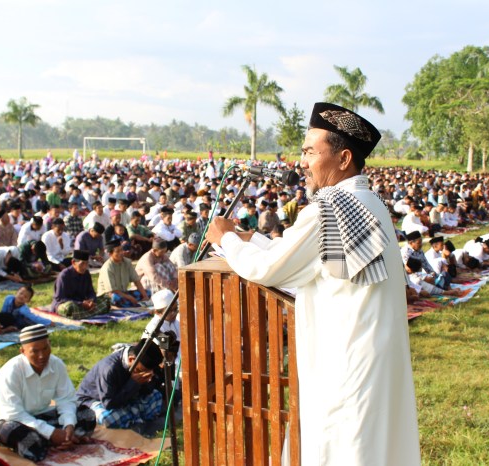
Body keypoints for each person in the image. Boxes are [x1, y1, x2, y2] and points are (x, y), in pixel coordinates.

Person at [205, 102, 420, 465]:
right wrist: (248, 237)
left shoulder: (329, 207)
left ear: (343, 158)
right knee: (371, 444)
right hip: (371, 351)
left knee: (345, 446)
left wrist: (225, 239)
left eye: (309, 151)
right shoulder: (367, 201)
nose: (301, 162)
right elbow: (303, 254)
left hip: (345, 357)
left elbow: (270, 269)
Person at [0, 325, 95, 463]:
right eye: (35, 351)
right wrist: (51, 433)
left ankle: (59, 440)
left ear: (50, 345)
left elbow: (66, 399)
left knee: (87, 415)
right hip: (12, 421)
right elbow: (15, 414)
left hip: (42, 417)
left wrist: (68, 426)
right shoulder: (9, 372)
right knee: (19, 434)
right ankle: (54, 441)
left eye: (45, 348)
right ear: (23, 351)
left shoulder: (57, 365)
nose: (42, 355)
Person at [76, 338, 164, 429]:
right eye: (140, 371)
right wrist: (134, 383)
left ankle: (133, 418)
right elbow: (109, 404)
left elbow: (147, 390)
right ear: (131, 359)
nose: (142, 374)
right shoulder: (109, 368)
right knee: (108, 419)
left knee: (156, 395)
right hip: (95, 400)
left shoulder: (142, 365)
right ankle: (134, 417)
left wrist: (147, 382)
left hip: (125, 397)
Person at [51, 250, 110, 318]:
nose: (84, 267)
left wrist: (91, 300)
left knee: (106, 299)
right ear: (73, 262)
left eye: (86, 264)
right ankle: (89, 313)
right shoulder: (64, 276)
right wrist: (80, 304)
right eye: (82, 264)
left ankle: (83, 314)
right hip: (69, 304)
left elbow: (90, 291)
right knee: (69, 307)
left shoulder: (86, 273)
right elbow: (60, 298)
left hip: (83, 304)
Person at [98, 241, 149, 308]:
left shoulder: (127, 262)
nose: (121, 253)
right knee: (116, 298)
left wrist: (145, 296)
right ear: (110, 254)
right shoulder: (107, 268)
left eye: (121, 250)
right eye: (118, 251)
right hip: (109, 295)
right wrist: (130, 298)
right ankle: (132, 304)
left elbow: (136, 280)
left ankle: (131, 304)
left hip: (123, 293)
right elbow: (113, 290)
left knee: (148, 292)